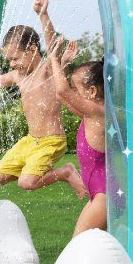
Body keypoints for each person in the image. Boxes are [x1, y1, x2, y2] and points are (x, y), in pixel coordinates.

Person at [0, 0, 87, 196]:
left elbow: (52, 47)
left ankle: (66, 172)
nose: (12, 64)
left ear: (32, 50)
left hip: (51, 140)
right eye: (9, 60)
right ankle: (33, 168)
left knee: (26, 182)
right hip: (30, 140)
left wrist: (42, 14)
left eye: (15, 58)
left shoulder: (48, 69)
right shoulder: (17, 76)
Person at [48, 35, 108, 235]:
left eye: (76, 89)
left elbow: (63, 92)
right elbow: (60, 95)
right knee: (88, 244)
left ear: (92, 91)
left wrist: (54, 59)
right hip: (99, 193)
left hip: (104, 195)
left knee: (79, 243)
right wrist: (63, 64)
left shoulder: (98, 112)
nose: (73, 92)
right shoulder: (90, 114)